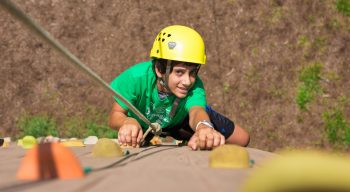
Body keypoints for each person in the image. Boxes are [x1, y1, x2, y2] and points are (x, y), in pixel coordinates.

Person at [108, 25, 249, 150]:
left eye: (193, 72)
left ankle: (193, 132)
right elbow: (115, 116)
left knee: (242, 139)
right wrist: (128, 122)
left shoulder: (195, 86)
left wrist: (204, 127)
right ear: (160, 69)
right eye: (179, 72)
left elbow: (196, 111)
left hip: (181, 120)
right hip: (143, 125)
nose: (187, 81)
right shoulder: (135, 78)